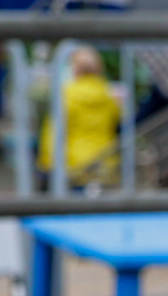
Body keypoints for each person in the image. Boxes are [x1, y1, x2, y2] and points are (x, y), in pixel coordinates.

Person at [39, 44, 121, 188]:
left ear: (75, 69)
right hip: (105, 164)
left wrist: (48, 165)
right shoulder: (109, 95)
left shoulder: (67, 95)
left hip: (74, 166)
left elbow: (53, 133)